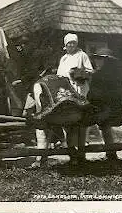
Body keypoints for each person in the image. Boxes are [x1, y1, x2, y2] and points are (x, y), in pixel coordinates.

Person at [32, 33, 94, 167]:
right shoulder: (64, 58)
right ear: (65, 46)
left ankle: (80, 153)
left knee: (78, 122)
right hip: (66, 89)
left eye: (73, 43)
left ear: (76, 44)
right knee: (66, 121)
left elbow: (90, 71)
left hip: (79, 87)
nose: (71, 45)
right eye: (68, 43)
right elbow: (60, 76)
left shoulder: (81, 55)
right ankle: (71, 152)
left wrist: (79, 73)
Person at [87, 48, 122, 160]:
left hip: (113, 106)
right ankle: (111, 153)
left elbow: (93, 94)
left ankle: (111, 152)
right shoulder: (119, 73)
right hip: (115, 106)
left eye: (100, 59)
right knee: (104, 125)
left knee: (102, 122)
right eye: (96, 59)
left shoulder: (100, 75)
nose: (97, 62)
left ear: (107, 61)